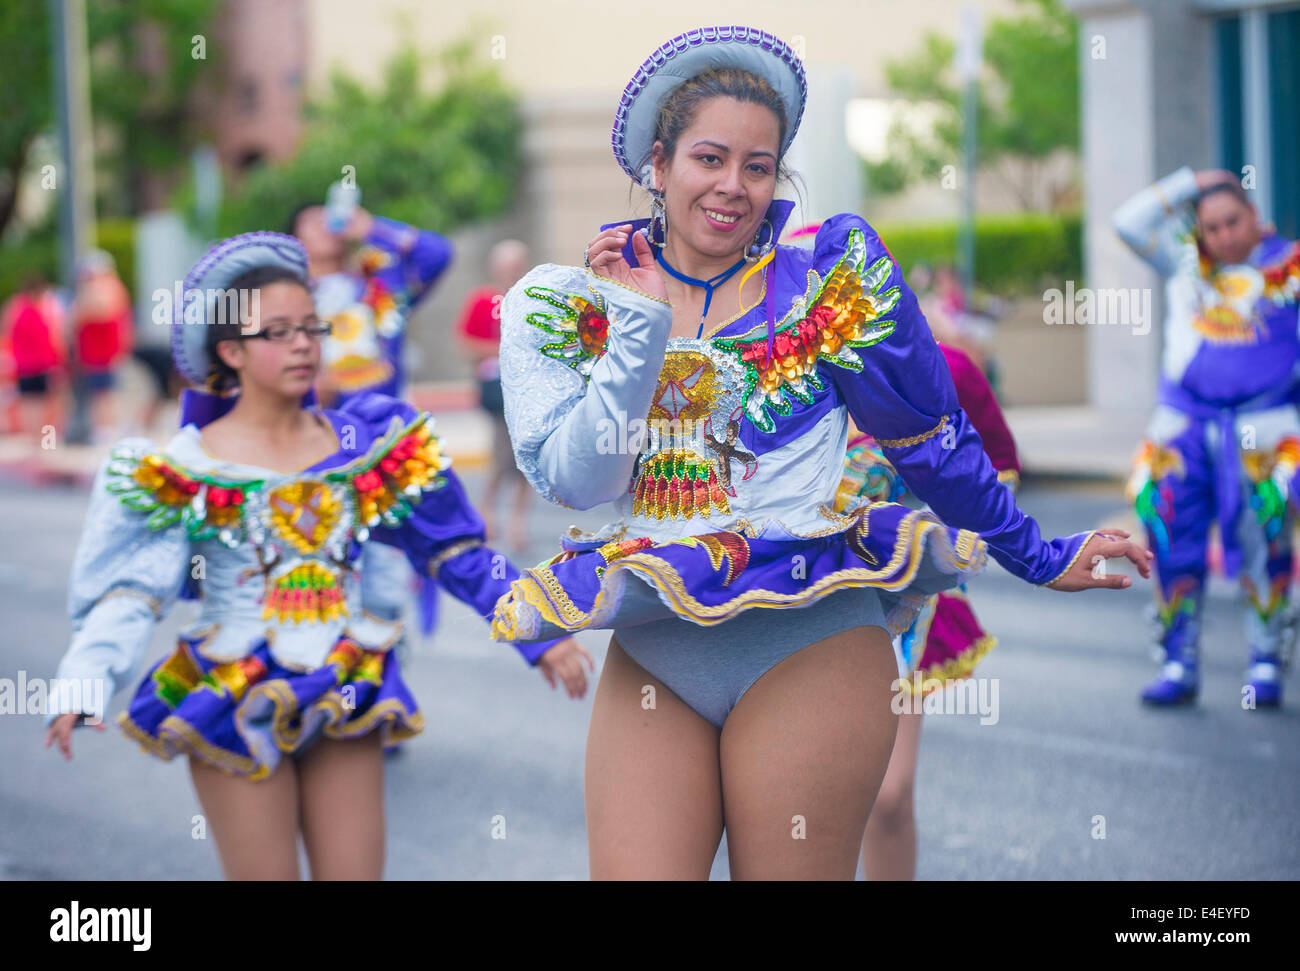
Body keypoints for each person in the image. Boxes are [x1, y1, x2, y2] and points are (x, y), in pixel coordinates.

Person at [490, 26, 1151, 880]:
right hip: (660, 649)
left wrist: (1040, 553)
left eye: (758, 167)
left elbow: (932, 443)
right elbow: (581, 481)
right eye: (710, 158)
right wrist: (641, 328)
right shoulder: (572, 306)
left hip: (811, 642)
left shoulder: (830, 288)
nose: (733, 186)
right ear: (658, 165)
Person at [43, 232, 591, 880]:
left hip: (342, 678)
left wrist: (538, 628)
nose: (304, 342)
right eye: (277, 331)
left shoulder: (366, 444)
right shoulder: (182, 466)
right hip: (226, 693)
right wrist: (86, 678)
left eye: (311, 326)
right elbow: (132, 589)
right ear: (230, 351)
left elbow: (453, 549)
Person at [1114, 168, 1300, 707]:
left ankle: (1266, 661)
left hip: (1264, 429)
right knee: (1170, 536)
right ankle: (1179, 659)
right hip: (1181, 427)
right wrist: (1189, 182)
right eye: (1211, 227)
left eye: (1232, 222)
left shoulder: (1288, 268)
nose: (1222, 236)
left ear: (1254, 217)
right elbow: (1126, 223)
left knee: (1267, 538)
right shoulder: (1184, 264)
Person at [851, 343, 1022, 880]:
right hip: (794, 593)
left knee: (888, 796)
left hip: (907, 599)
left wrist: (944, 533)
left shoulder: (944, 365)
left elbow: (999, 467)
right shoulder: (779, 360)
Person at [287, 197, 453, 659]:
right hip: (313, 446)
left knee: (383, 568)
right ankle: (320, 673)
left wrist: (371, 226)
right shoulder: (286, 298)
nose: (325, 225)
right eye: (311, 221)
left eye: (330, 218)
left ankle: (382, 686)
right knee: (318, 566)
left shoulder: (378, 281)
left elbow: (438, 254)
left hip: (380, 447)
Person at [456, 240, 533, 553]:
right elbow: (466, 342)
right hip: (497, 385)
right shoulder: (484, 300)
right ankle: (488, 512)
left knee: (526, 453)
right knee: (505, 451)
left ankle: (514, 520)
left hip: (527, 385)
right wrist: (505, 350)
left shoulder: (531, 298)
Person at [70, 250, 133, 442]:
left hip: (104, 353)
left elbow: (98, 311)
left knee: (104, 395)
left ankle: (106, 432)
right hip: (93, 354)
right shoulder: (94, 289)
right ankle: (103, 429)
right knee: (99, 395)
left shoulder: (108, 287)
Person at [2, 272, 67, 441]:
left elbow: (8, 332)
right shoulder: (45, 308)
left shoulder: (16, 308)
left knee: (29, 404)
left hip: (24, 364)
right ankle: (46, 442)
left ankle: (33, 440)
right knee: (48, 405)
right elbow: (55, 337)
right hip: (44, 364)